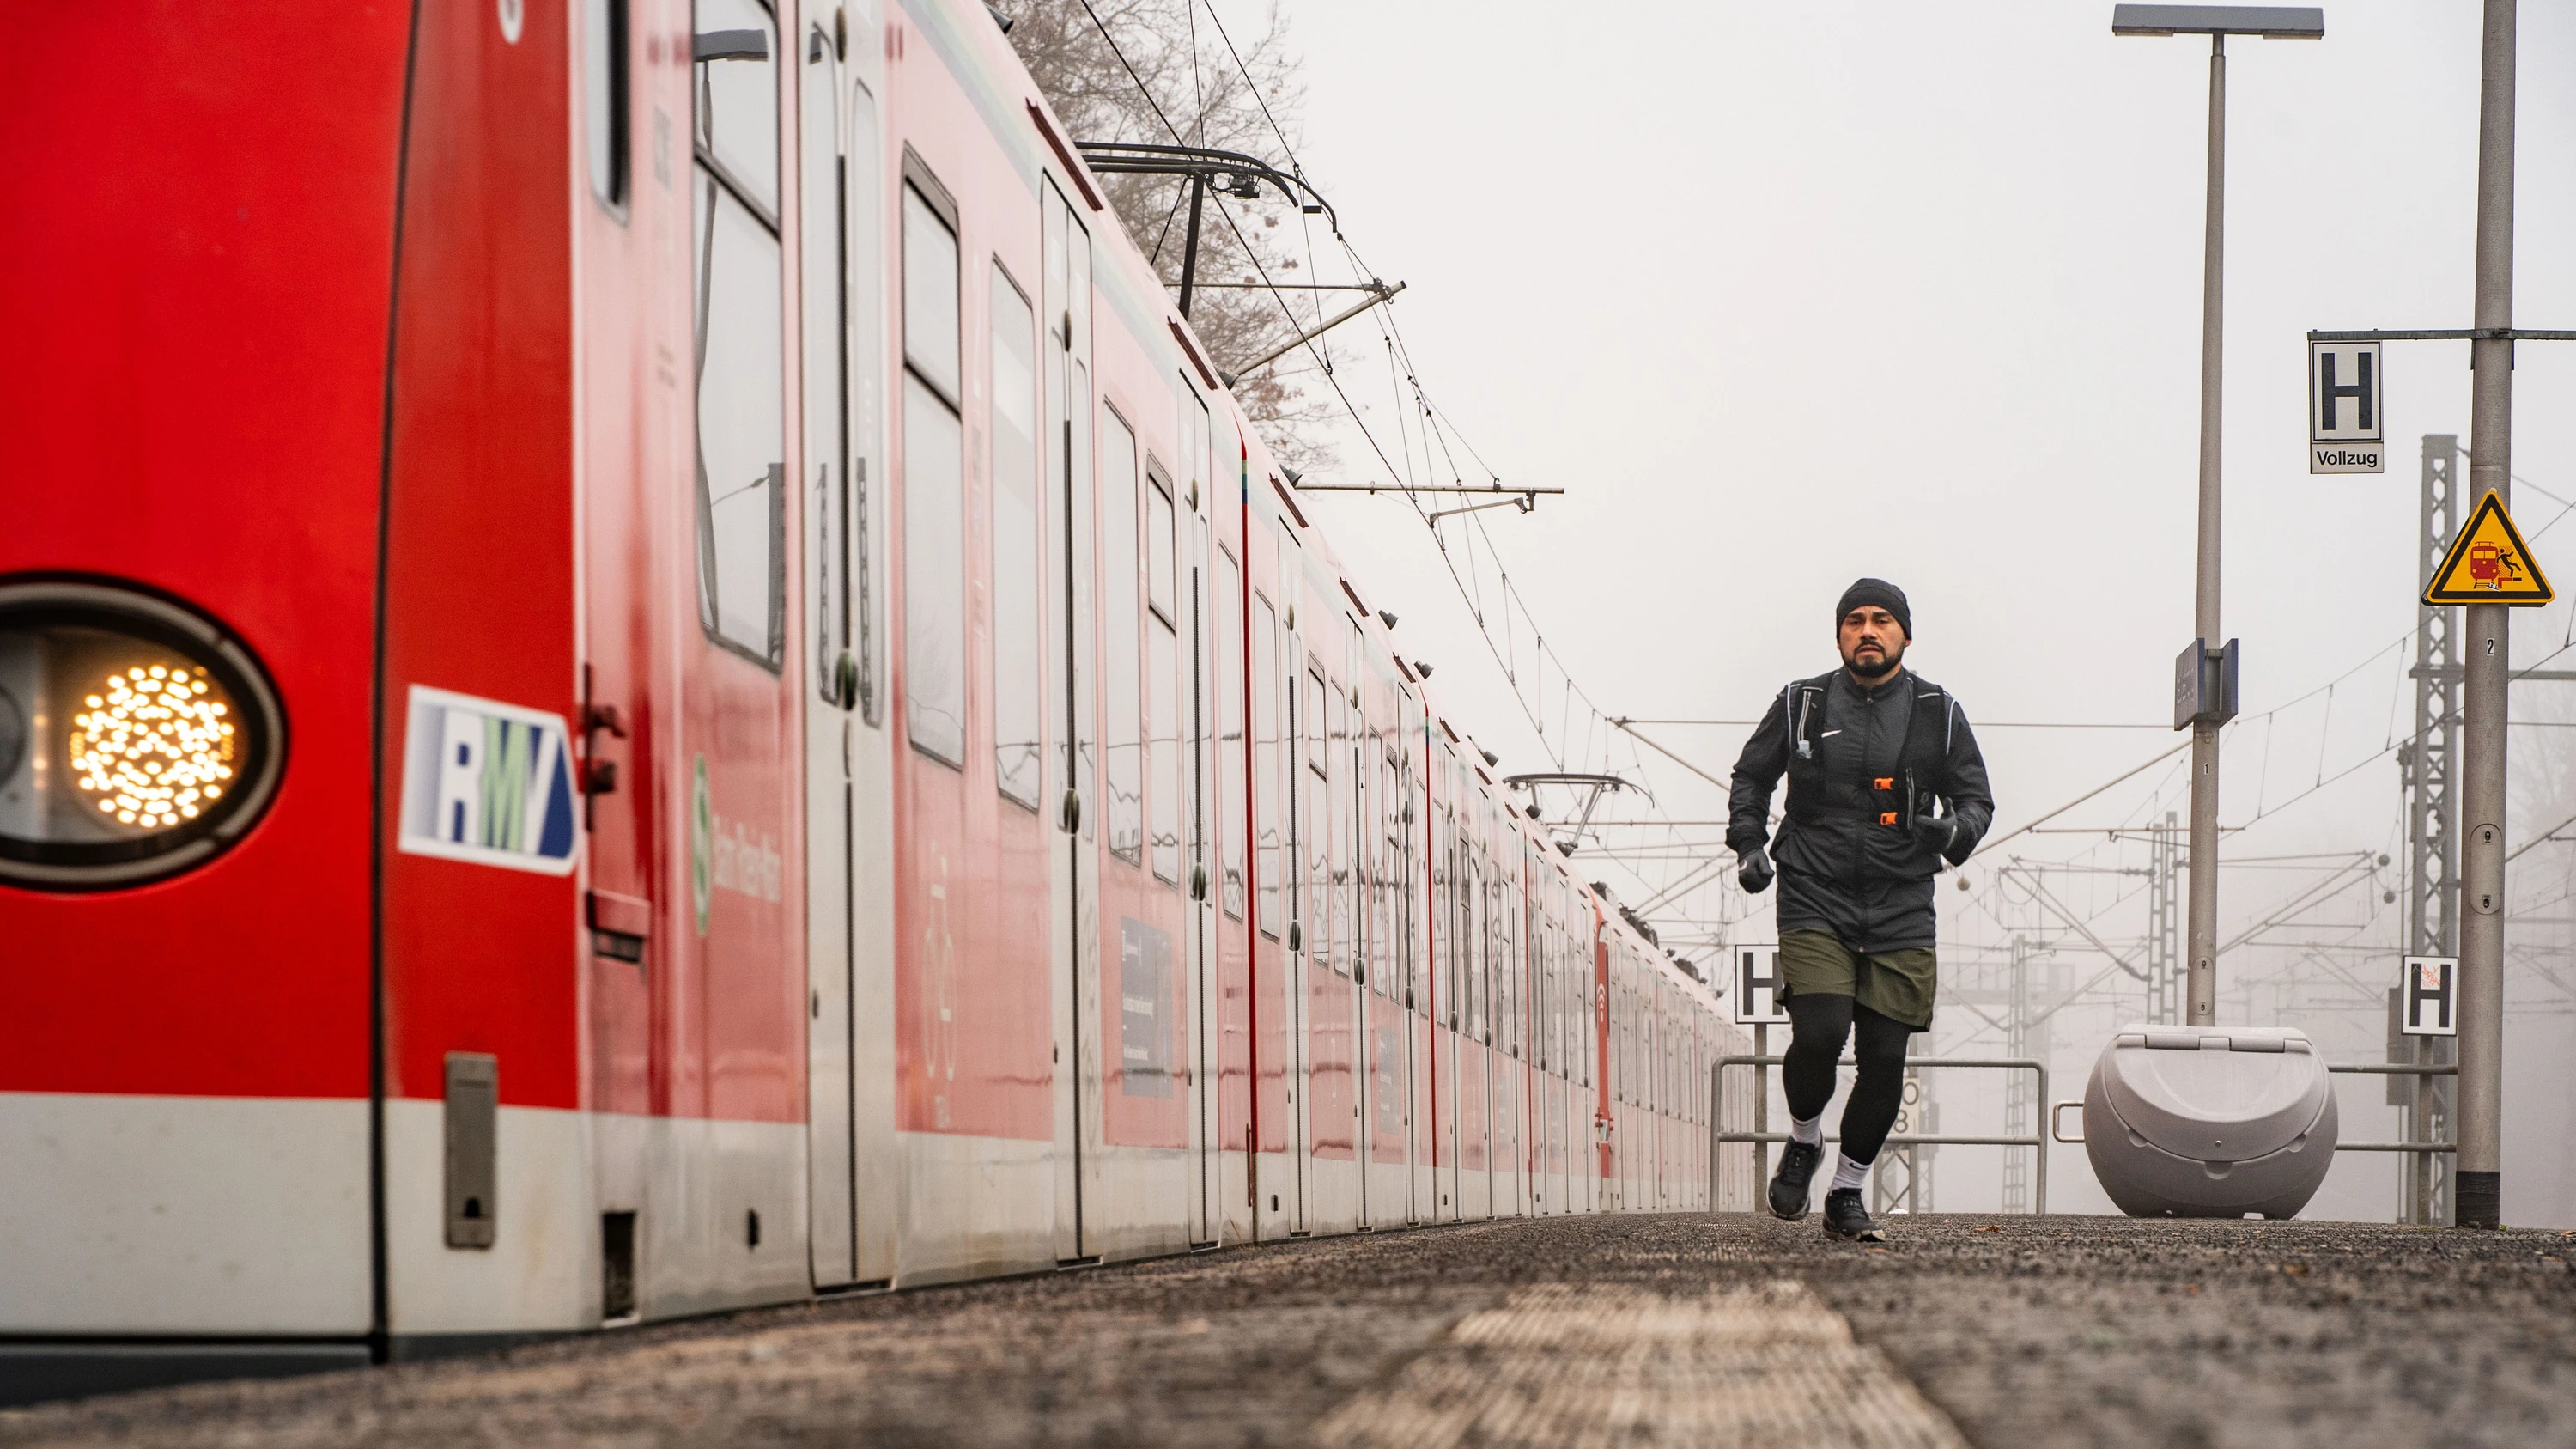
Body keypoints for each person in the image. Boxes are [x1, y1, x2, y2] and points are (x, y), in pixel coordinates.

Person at [1728, 579, 1991, 1240]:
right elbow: (1752, 776)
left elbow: (1977, 800)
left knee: (1885, 1059)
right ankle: (1805, 1137)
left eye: (1881, 620)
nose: (1867, 630)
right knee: (1819, 1031)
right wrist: (1750, 842)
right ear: (1839, 634)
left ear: (1905, 633)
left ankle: (1847, 1192)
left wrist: (1952, 832)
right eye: (1854, 621)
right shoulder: (1801, 703)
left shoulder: (1939, 712)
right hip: (1813, 889)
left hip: (1901, 902)